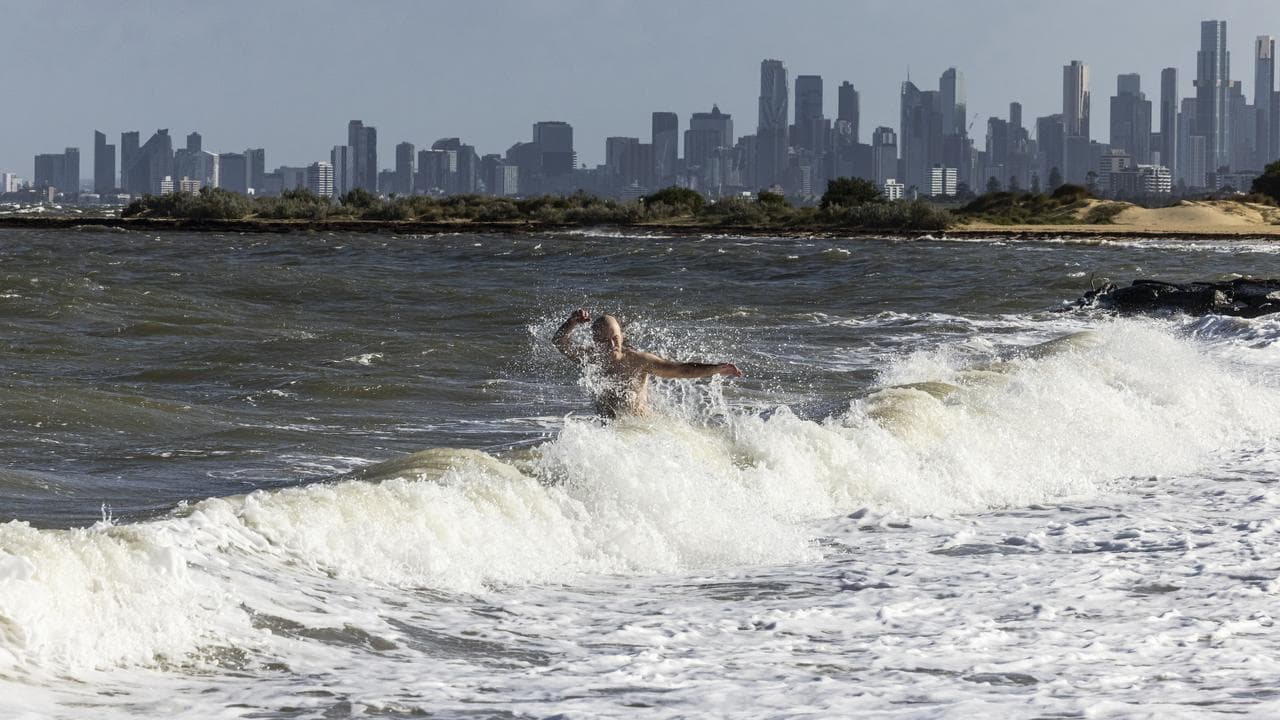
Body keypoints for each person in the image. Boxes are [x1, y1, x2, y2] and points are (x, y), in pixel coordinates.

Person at [553, 308, 742, 418]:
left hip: (639, 428)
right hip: (609, 431)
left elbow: (678, 370)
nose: (612, 345)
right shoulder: (590, 358)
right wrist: (572, 322)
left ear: (622, 336)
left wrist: (716, 369)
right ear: (595, 341)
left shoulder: (638, 360)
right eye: (604, 340)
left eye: (615, 338)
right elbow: (559, 342)